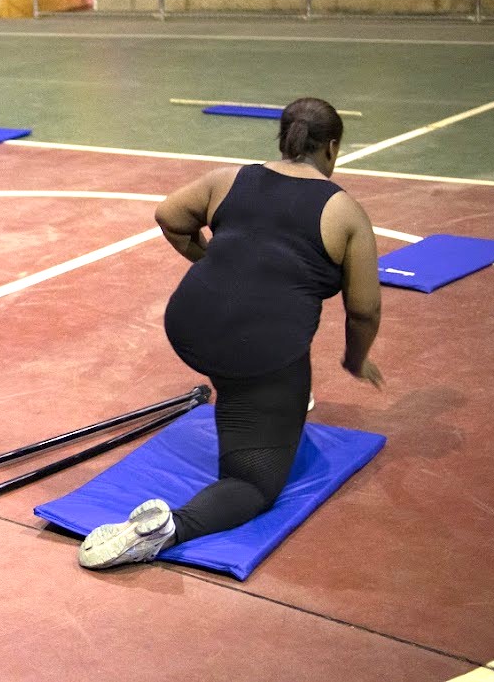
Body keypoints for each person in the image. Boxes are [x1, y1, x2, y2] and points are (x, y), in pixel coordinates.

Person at [78, 97, 384, 569]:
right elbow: (363, 310)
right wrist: (354, 359)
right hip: (259, 352)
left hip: (190, 324)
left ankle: (265, 395)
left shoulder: (228, 179)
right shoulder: (345, 212)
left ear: (283, 139)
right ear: (332, 147)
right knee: (253, 483)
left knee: (262, 359)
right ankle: (168, 529)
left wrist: (213, 265)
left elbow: (168, 215)